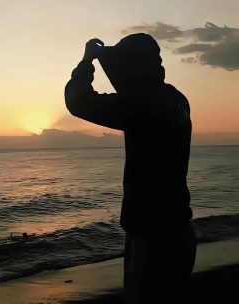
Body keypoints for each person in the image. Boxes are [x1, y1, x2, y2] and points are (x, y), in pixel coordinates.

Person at [65, 34, 197, 304]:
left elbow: (78, 101)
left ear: (133, 66)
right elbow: (132, 86)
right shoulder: (175, 99)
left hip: (151, 232)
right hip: (179, 225)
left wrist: (87, 61)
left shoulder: (141, 105)